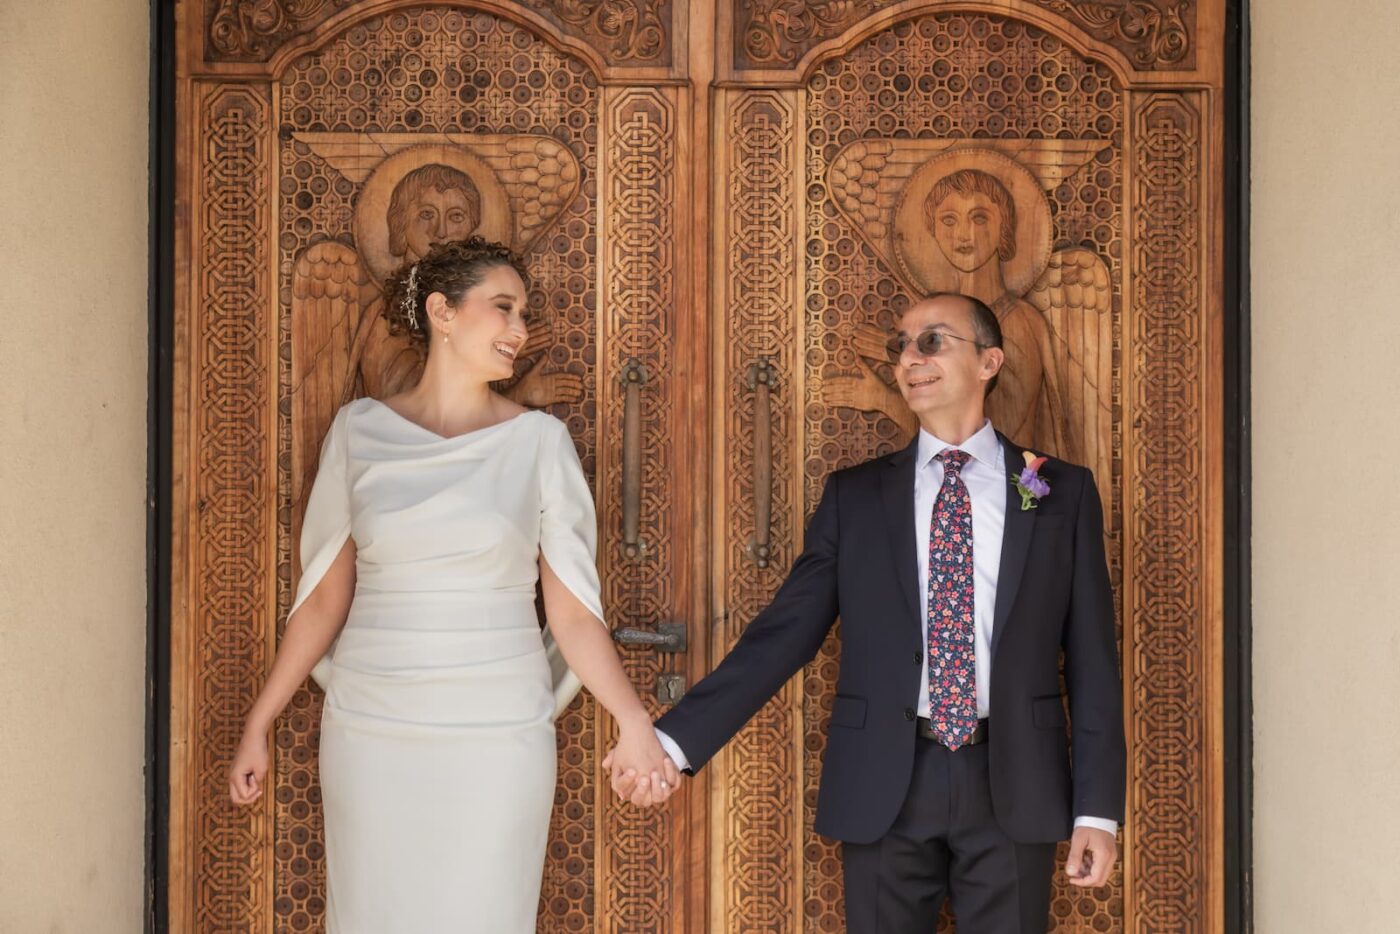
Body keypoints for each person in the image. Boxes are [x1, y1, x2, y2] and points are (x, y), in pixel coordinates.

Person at [616, 292, 1125, 932]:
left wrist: (1097, 811)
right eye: (902, 346)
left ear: (989, 361)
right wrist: (674, 741)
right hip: (887, 779)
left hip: (1016, 781)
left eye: (931, 341)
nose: (909, 358)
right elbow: (784, 637)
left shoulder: (1061, 492)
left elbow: (1092, 664)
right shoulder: (854, 498)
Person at [230, 236, 679, 932]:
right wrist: (259, 722)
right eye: (503, 308)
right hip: (372, 727)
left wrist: (634, 722)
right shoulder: (359, 431)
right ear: (442, 311)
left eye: (523, 313)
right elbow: (323, 597)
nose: (520, 331)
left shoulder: (539, 444)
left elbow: (574, 615)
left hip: (496, 732)